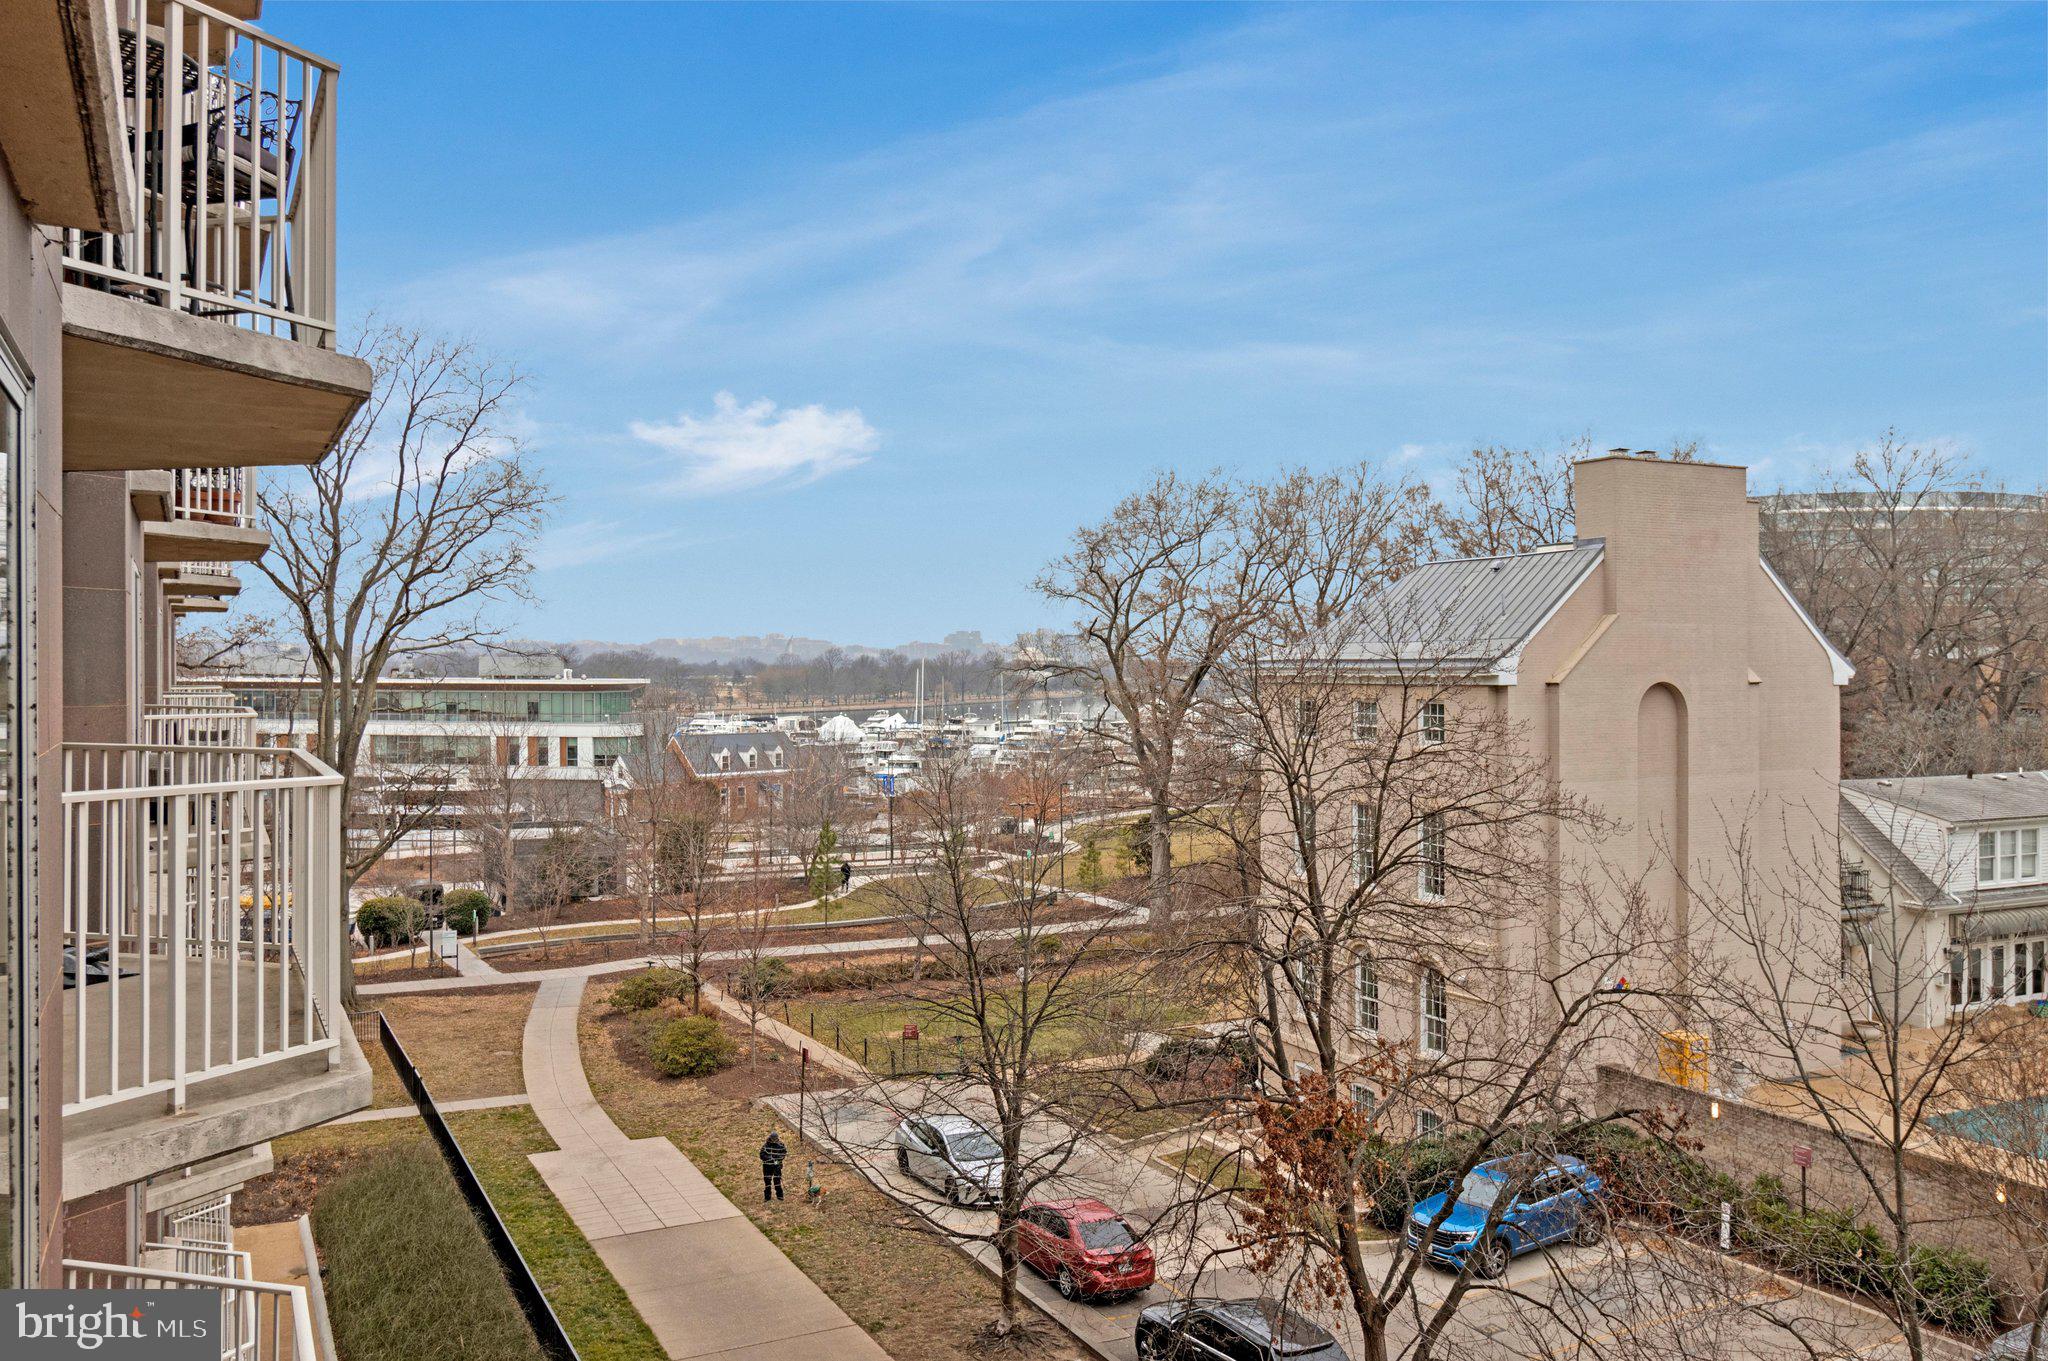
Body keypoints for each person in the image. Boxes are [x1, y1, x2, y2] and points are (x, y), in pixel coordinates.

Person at [759, 1130, 787, 1202]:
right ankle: (767, 1197)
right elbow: (761, 1155)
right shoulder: (766, 1145)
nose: (774, 1140)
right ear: (770, 1138)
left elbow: (783, 1153)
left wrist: (777, 1160)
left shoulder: (781, 1145)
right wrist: (769, 1158)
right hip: (767, 1166)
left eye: (775, 1138)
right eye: (773, 1139)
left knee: (777, 1180)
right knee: (767, 1181)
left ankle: (780, 1196)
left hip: (776, 1165)